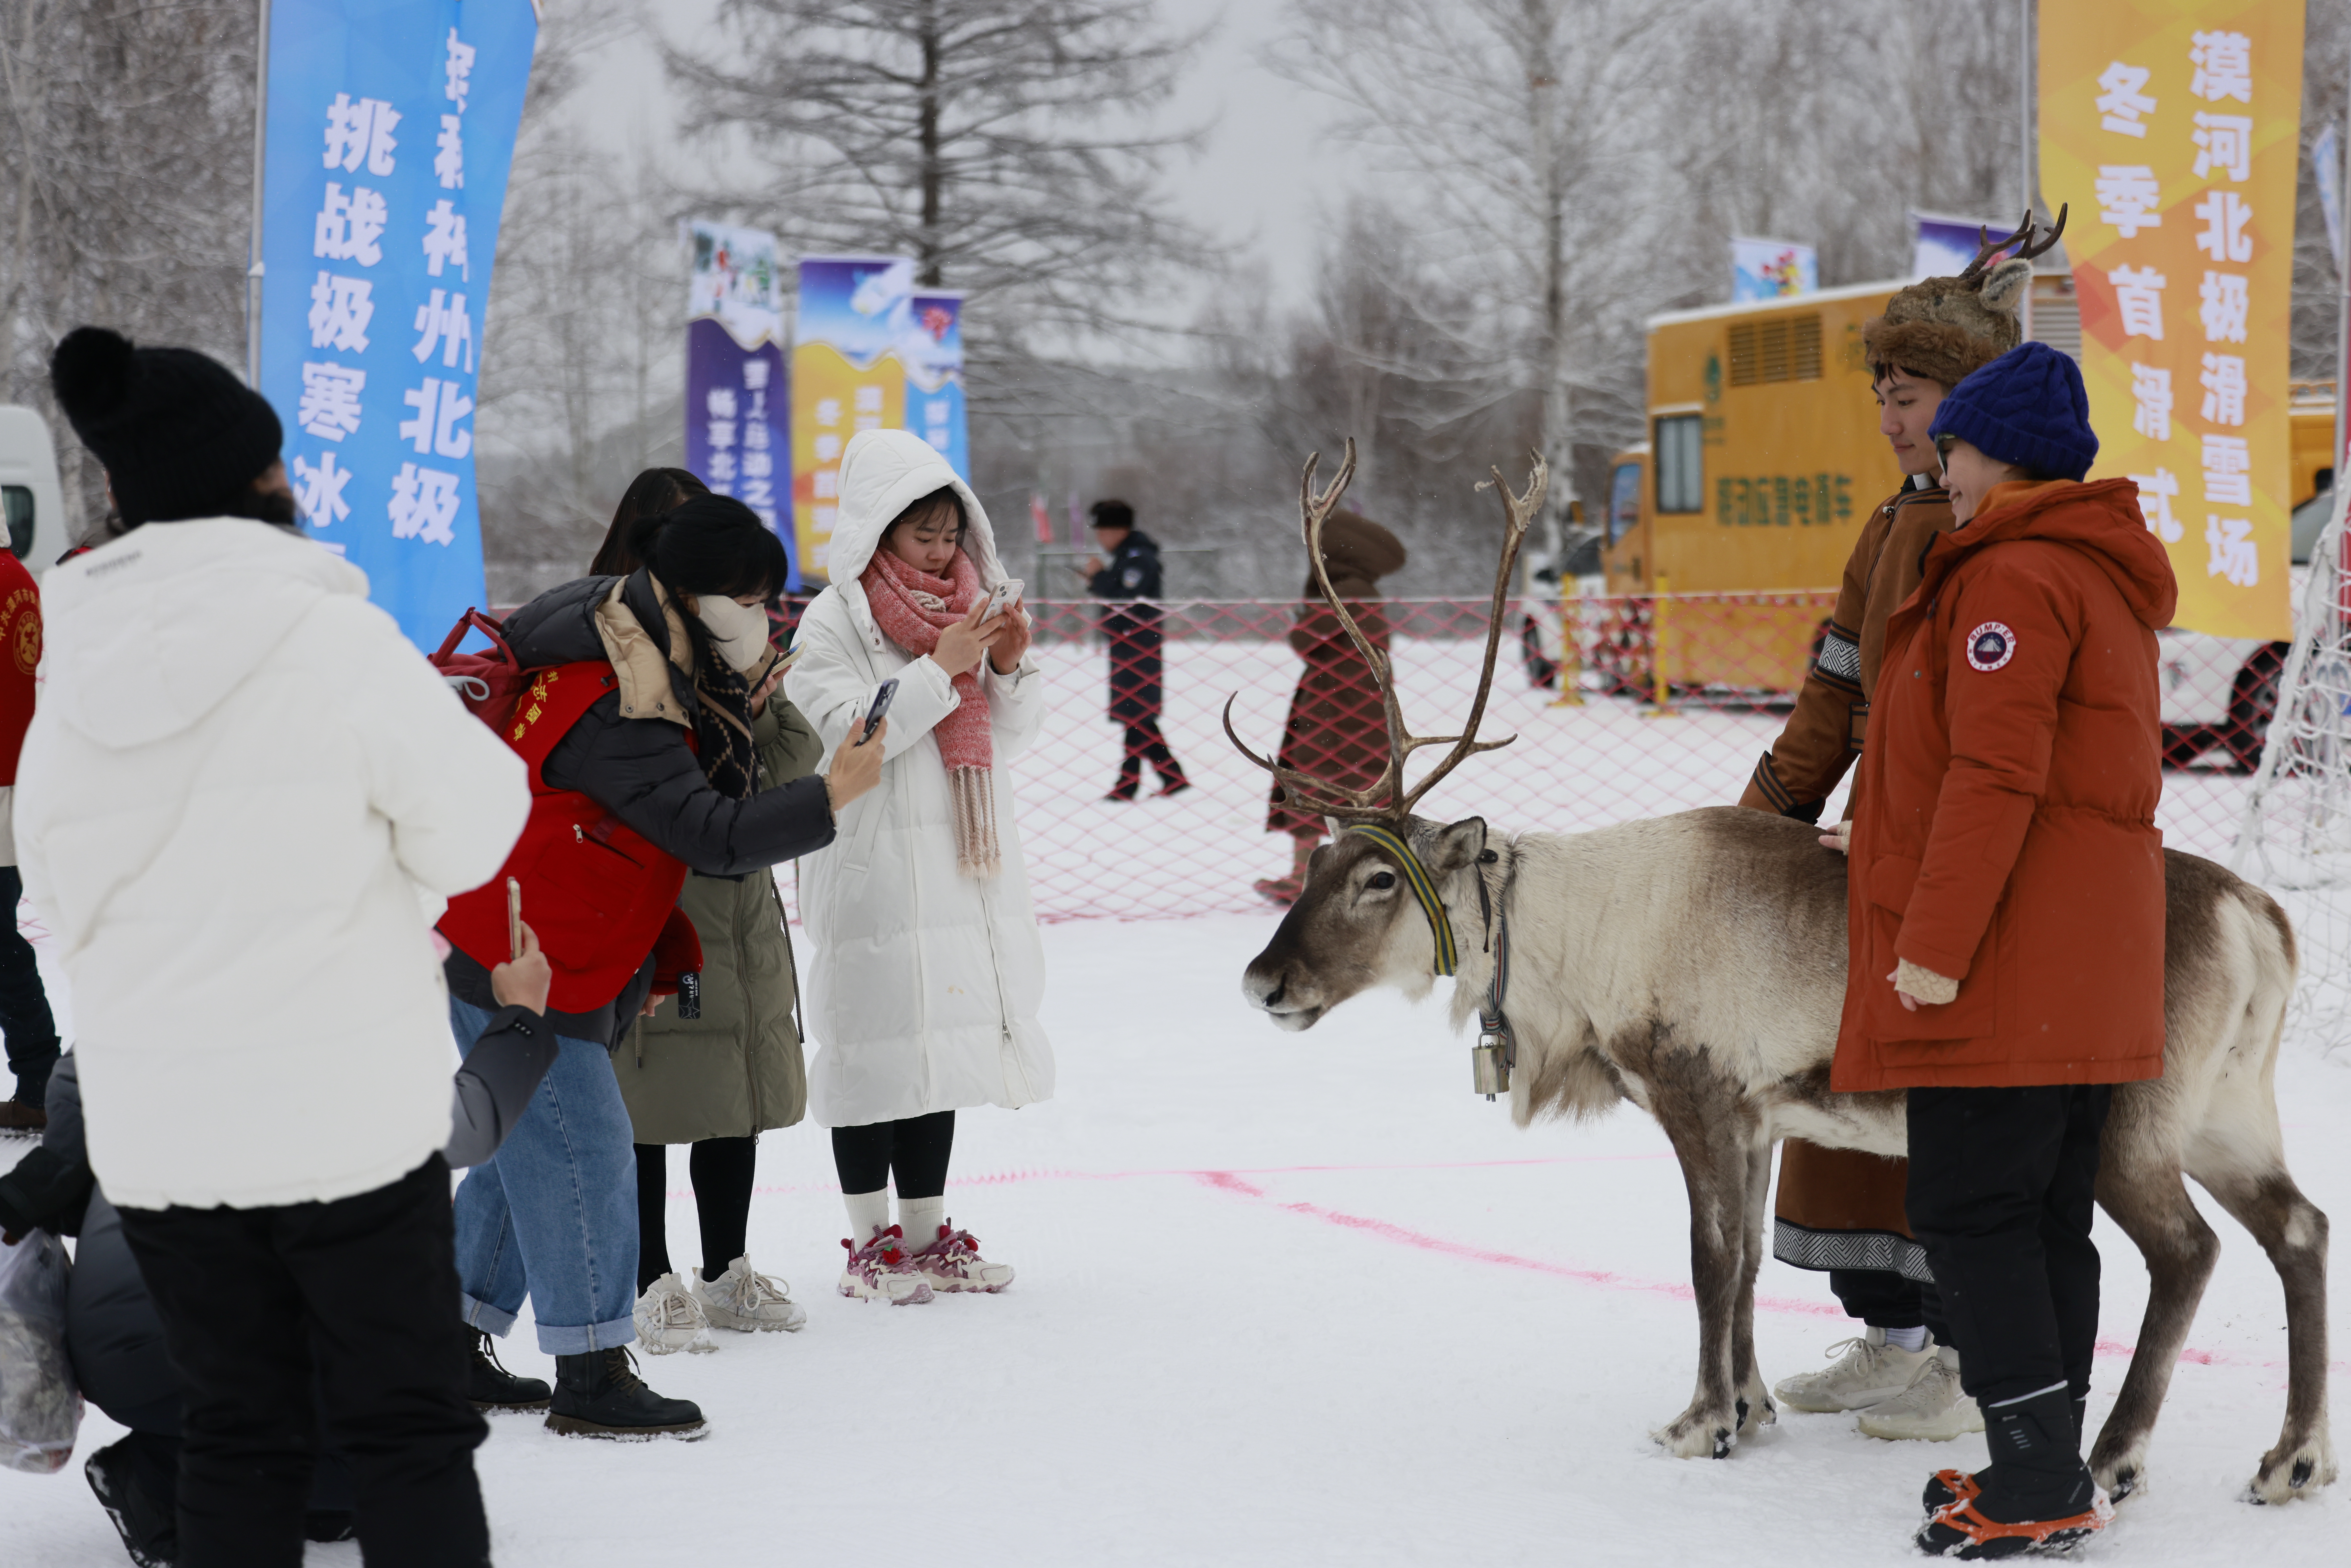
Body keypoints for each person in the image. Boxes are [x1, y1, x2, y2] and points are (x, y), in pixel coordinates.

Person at [19, 324, 533, 1568]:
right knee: (407, 1429)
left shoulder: (73, 671)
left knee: (238, 1437)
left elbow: (52, 890)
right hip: (347, 1115)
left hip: (164, 1132)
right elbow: (476, 830)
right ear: (260, 480)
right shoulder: (332, 640)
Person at [435, 492, 886, 1436]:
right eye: (750, 597)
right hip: (529, 952)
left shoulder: (625, 640)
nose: (764, 617)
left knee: (532, 1155)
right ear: (692, 594)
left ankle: (446, 1342)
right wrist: (830, 793)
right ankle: (593, 1370)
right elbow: (708, 834)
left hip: (536, 936)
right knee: (583, 1154)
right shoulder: (622, 692)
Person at [1832, 341, 2171, 1555]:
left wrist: (1930, 942)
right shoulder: (2085, 570)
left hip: (2008, 953)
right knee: (2040, 1215)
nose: (1941, 465)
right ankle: (2047, 1466)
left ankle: (2033, 1478)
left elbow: (1994, 772)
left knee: (1971, 1207)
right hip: (2078, 954)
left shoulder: (2015, 577)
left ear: (2004, 454)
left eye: (1955, 447)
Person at [0, 930, 560, 1566]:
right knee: (388, 1446)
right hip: (224, 1340)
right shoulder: (319, 1034)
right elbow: (470, 1121)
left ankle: (206, 1463)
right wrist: (522, 1016)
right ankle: (159, 1474)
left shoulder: (139, 1004)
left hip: (113, 1349)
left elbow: (71, 1127)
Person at [1739, 257, 2030, 1442]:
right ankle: (1891, 1334)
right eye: (1879, 393)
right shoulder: (1890, 519)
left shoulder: (1991, 525)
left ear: (1965, 402)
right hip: (1871, 855)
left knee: (1945, 1110)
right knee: (1842, 1087)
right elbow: (1833, 686)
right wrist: (1759, 826)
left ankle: (1964, 1352)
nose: (1887, 416)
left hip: (1952, 863)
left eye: (1906, 394)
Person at [789, 428, 1050, 1301]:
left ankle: (930, 1235)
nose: (941, 553)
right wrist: (943, 670)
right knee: (873, 1051)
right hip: (870, 866)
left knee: (939, 1046)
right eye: (921, 536)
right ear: (876, 531)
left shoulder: (970, 608)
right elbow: (851, 735)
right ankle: (869, 1243)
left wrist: (1006, 670)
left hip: (956, 862)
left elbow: (1006, 739)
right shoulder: (833, 620)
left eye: (950, 534)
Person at [582, 467, 824, 1351]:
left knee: (734, 1083)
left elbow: (795, 760)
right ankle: (650, 1277)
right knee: (647, 1087)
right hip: (658, 898)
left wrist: (757, 681)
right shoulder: (616, 652)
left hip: (743, 890)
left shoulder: (734, 657)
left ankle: (725, 1269)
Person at [1256, 510, 1406, 904]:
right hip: (1356, 700)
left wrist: (1304, 616)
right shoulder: (1361, 588)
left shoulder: (1346, 589)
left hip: (1334, 702)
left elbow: (1304, 640)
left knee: (1311, 778)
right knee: (1360, 783)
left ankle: (1304, 874)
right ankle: (1364, 868)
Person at [0, 541, 59, 1135]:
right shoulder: (21, 576)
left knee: (2, 947)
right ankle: (39, 1079)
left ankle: (40, 1078)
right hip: (20, 780)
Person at [1082, 498, 1188, 800]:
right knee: (1136, 712)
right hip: (1127, 643)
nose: (1099, 538)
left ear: (1117, 529)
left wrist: (1098, 577)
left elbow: (1126, 598)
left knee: (1135, 710)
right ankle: (1169, 776)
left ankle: (1129, 784)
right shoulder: (1126, 556)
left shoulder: (1139, 557)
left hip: (1138, 643)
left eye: (1101, 530)